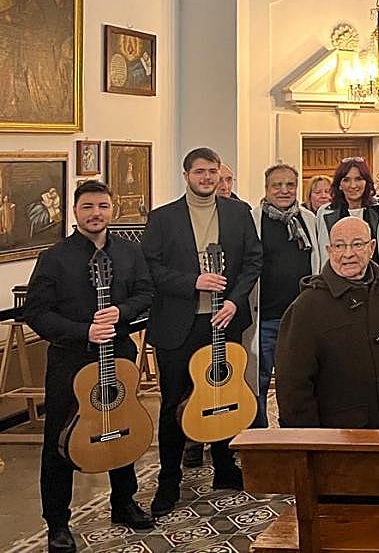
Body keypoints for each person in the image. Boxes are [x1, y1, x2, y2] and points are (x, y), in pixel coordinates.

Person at [25, 181, 155, 552]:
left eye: (102, 206)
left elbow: (146, 293)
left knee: (122, 425)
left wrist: (123, 312)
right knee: (60, 441)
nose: (95, 213)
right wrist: (84, 332)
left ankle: (123, 502)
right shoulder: (54, 258)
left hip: (119, 354)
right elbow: (35, 312)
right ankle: (57, 523)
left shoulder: (130, 253)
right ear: (75, 212)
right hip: (71, 360)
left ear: (112, 210)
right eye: (87, 207)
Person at [141, 147, 262, 516]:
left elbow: (254, 260)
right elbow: (151, 268)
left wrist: (234, 301)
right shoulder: (163, 218)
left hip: (224, 318)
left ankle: (225, 469)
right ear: (186, 175)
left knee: (225, 392)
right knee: (174, 403)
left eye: (213, 171)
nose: (208, 178)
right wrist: (193, 281)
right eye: (200, 172)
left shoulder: (238, 213)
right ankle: (168, 481)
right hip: (180, 324)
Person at [275, 217, 379, 428]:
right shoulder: (306, 308)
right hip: (339, 441)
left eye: (357, 244)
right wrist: (310, 446)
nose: (348, 254)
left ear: (371, 247)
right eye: (339, 246)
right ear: (329, 250)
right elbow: (293, 388)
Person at [248, 163, 320, 428]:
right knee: (259, 380)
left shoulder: (309, 220)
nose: (284, 190)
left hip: (301, 320)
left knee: (297, 383)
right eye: (277, 185)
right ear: (266, 189)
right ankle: (260, 438)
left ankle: (295, 436)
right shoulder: (254, 221)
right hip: (265, 318)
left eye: (290, 185)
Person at [315, 157, 379, 298]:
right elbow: (322, 256)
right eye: (346, 180)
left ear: (366, 182)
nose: (353, 185)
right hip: (341, 292)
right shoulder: (326, 212)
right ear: (339, 185)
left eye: (359, 179)